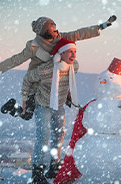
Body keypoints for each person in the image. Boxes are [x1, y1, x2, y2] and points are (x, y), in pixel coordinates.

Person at [0, 15, 116, 119]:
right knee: (27, 114)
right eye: (52, 26)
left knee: (66, 100)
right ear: (44, 30)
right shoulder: (33, 46)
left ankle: (79, 111)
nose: (55, 27)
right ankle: (13, 107)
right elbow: (17, 59)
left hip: (56, 79)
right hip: (37, 82)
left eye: (54, 25)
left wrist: (102, 26)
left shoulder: (60, 38)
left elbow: (79, 33)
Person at [22, 38, 79, 184]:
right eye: (70, 52)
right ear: (60, 53)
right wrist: (25, 98)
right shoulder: (47, 69)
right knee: (43, 137)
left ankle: (55, 165)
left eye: (75, 52)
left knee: (59, 135)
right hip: (43, 105)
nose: (73, 56)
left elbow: (64, 84)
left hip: (59, 105)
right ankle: (37, 173)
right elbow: (28, 78)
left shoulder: (74, 67)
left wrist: (68, 96)